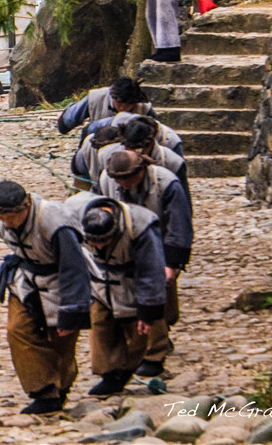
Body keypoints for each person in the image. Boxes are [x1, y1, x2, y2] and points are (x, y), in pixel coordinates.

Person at [0, 180, 94, 414]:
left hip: (59, 280)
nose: (8, 223)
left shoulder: (55, 223)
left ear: (26, 206)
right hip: (26, 279)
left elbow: (73, 267)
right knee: (18, 329)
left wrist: (71, 311)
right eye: (3, 217)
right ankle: (43, 391)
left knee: (61, 340)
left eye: (12, 217)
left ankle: (62, 385)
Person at [95, 150, 193, 378]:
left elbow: (179, 224)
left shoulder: (166, 184)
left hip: (156, 241)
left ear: (142, 171)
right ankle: (124, 354)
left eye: (128, 178)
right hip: (121, 242)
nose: (123, 184)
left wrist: (173, 262)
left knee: (155, 294)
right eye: (119, 179)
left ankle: (155, 352)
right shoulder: (106, 180)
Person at [79, 198, 169, 396]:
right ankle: (109, 374)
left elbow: (151, 270)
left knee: (140, 330)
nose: (100, 247)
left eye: (104, 242)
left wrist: (148, 308)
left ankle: (133, 366)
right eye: (95, 242)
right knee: (100, 323)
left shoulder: (141, 225)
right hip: (100, 282)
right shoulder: (76, 220)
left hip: (134, 280)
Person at [58, 77, 153, 136]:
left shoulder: (144, 108)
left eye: (127, 105)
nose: (122, 109)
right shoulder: (97, 97)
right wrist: (63, 124)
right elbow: (70, 118)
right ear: (112, 98)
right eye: (119, 105)